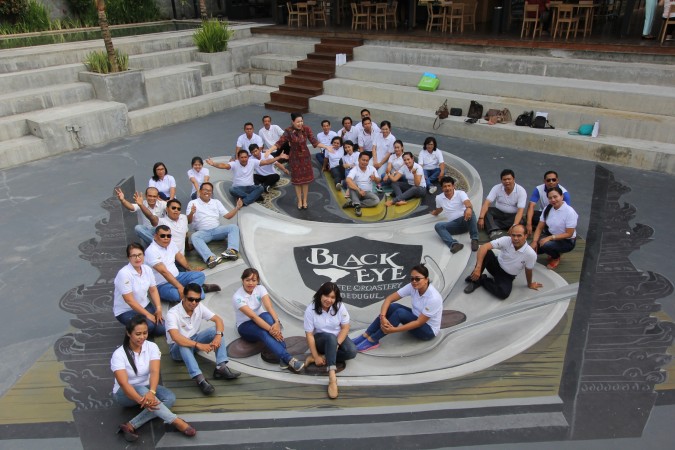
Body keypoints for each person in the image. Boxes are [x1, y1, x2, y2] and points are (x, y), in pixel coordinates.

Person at [112, 315, 195, 442]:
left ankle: (130, 425)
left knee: (170, 398)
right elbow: (124, 383)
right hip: (124, 394)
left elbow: (154, 371)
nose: (142, 337)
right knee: (141, 389)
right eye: (138, 334)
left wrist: (152, 392)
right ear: (128, 333)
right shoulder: (119, 354)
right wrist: (142, 401)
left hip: (146, 389)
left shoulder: (152, 347)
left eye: (145, 333)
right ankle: (176, 421)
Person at [166, 283, 240, 395]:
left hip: (194, 340)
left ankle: (221, 367)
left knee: (215, 330)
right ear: (184, 297)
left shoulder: (199, 307)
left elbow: (218, 320)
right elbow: (176, 337)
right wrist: (198, 345)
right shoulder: (172, 314)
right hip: (177, 349)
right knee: (182, 343)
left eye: (197, 300)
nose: (194, 303)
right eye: (191, 299)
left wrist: (218, 336)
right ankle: (199, 378)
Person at [354, 264, 443, 352]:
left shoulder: (433, 298)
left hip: (428, 331)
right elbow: (389, 299)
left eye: (417, 279)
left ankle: (373, 340)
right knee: (393, 306)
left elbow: (419, 322)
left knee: (400, 313)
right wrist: (383, 317)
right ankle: (366, 335)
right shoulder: (412, 286)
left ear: (426, 280)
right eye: (412, 278)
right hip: (415, 317)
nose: (414, 281)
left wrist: (394, 330)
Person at [232, 268, 305, 373]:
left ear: (257, 281)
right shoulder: (237, 297)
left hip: (261, 316)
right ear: (242, 280)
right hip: (245, 324)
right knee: (263, 332)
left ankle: (283, 359)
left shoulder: (260, 288)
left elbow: (269, 307)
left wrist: (277, 322)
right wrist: (272, 330)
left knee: (270, 319)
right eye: (247, 280)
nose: (251, 283)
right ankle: (289, 359)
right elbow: (254, 317)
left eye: (254, 280)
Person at [266, 113, 330, 210]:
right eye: (298, 122)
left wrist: (326, 147)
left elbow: (314, 141)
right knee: (297, 181)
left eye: (301, 121)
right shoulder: (288, 131)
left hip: (305, 157)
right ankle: (299, 200)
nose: (300, 123)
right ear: (293, 122)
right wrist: (270, 150)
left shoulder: (306, 129)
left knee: (305, 181)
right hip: (295, 158)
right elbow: (280, 142)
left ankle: (305, 200)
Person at [303, 282, 356, 399]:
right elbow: (309, 335)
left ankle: (322, 357)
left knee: (352, 351)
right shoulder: (310, 309)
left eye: (332, 297)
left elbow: (345, 328)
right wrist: (315, 354)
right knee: (330, 337)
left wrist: (336, 344)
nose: (329, 300)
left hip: (337, 337)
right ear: (320, 294)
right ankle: (332, 378)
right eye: (326, 296)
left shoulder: (340, 306)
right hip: (321, 340)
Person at [144, 225, 220, 302]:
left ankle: (190, 290)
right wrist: (180, 287)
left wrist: (191, 270)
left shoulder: (171, 244)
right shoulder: (151, 251)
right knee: (176, 295)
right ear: (155, 236)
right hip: (162, 284)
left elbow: (180, 257)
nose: (166, 238)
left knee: (199, 275)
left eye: (169, 236)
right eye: (163, 236)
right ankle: (198, 289)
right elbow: (164, 272)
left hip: (178, 276)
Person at [464, 224, 542, 299]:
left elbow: (528, 270)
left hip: (508, 275)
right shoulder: (506, 240)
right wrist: (478, 268)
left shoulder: (530, 254)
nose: (515, 238)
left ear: (526, 236)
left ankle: (481, 279)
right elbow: (483, 247)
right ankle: (474, 281)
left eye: (519, 236)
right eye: (513, 235)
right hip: (496, 265)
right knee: (486, 252)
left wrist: (529, 284)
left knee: (503, 293)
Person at [187, 182, 242, 268]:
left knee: (233, 227)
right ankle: (211, 258)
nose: (207, 192)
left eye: (210, 191)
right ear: (200, 191)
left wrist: (237, 207)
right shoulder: (193, 203)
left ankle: (232, 251)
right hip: (203, 233)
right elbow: (188, 221)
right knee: (194, 236)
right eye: (205, 190)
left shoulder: (216, 202)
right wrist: (191, 212)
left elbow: (228, 216)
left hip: (217, 230)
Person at [113, 243, 165, 336]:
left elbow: (153, 290)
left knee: (162, 328)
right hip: (126, 310)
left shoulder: (147, 269)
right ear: (128, 258)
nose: (137, 258)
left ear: (143, 255)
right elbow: (129, 300)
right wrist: (148, 315)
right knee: (148, 326)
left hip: (145, 305)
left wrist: (158, 308)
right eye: (134, 256)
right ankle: (132, 333)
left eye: (140, 254)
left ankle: (137, 331)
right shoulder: (124, 274)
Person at [206, 148, 287, 206]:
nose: (244, 159)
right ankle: (253, 197)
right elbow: (224, 165)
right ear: (238, 158)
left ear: (248, 157)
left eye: (245, 157)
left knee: (261, 188)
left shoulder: (252, 162)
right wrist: (213, 164)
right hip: (238, 188)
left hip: (251, 187)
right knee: (231, 190)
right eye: (242, 157)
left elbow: (266, 162)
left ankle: (244, 201)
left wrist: (278, 157)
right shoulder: (235, 164)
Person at [530, 187, 578, 270]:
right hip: (551, 235)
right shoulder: (548, 208)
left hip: (567, 240)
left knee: (545, 245)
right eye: (550, 198)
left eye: (555, 197)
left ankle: (556, 257)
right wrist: (534, 241)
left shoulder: (570, 212)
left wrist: (550, 238)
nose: (553, 200)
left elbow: (569, 234)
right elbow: (539, 227)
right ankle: (554, 249)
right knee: (532, 248)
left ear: (562, 196)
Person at [430, 176, 479, 253]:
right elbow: (439, 209)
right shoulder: (439, 198)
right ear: (442, 188)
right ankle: (454, 244)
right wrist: (434, 213)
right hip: (454, 225)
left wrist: (469, 208)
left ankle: (474, 239)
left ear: (453, 186)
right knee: (438, 226)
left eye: (449, 186)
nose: (447, 188)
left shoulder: (460, 193)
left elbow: (468, 203)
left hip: (466, 219)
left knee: (470, 210)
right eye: (445, 186)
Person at [478, 169, 527, 239]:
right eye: (504, 179)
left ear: (513, 179)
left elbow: (520, 211)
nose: (507, 181)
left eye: (509, 179)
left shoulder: (521, 191)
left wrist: (514, 225)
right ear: (501, 181)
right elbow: (486, 203)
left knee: (521, 221)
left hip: (512, 216)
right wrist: (481, 218)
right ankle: (493, 231)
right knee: (487, 211)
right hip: (499, 213)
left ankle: (492, 225)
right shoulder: (496, 188)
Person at [526, 170, 571, 235]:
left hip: (558, 216)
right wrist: (529, 223)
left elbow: (566, 211)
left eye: (553, 180)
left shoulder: (564, 193)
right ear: (544, 181)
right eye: (548, 180)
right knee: (530, 216)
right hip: (544, 214)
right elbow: (531, 206)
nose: (551, 182)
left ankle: (544, 227)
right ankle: (545, 227)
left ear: (557, 180)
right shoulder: (538, 189)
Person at [344, 152, 381, 217]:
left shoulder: (372, 168)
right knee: (351, 186)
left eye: (367, 161)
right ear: (359, 160)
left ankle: (355, 204)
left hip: (367, 192)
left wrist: (375, 178)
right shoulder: (355, 169)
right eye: (363, 160)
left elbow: (378, 181)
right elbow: (348, 180)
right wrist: (359, 190)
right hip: (357, 191)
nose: (365, 162)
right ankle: (357, 207)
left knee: (376, 200)